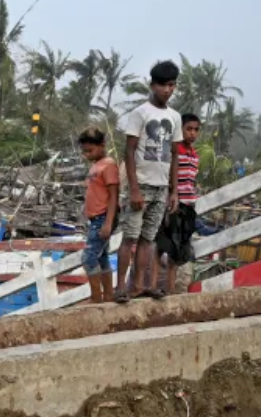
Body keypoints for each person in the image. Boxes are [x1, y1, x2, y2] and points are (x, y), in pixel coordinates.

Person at [116, 60, 182, 303]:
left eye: (172, 85)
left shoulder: (174, 117)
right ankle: (121, 287)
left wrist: (173, 191)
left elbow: (175, 154)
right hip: (141, 185)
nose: (167, 90)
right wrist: (133, 188)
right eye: (163, 85)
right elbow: (129, 152)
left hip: (161, 187)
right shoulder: (140, 113)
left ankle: (140, 285)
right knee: (130, 237)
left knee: (148, 239)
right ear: (153, 85)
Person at [158, 113, 201, 295]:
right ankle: (163, 290)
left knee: (178, 253)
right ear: (180, 130)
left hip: (189, 206)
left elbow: (190, 182)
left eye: (196, 130)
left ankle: (171, 290)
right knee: (163, 248)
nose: (192, 133)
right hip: (174, 205)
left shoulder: (194, 155)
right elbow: (167, 178)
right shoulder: (175, 152)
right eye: (188, 129)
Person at [78, 127, 119, 303]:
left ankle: (96, 297)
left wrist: (108, 222)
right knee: (102, 258)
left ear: (102, 145)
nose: (86, 154)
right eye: (84, 151)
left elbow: (114, 195)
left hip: (103, 217)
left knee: (88, 258)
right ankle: (108, 295)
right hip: (96, 218)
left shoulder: (108, 165)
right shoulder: (96, 165)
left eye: (90, 150)